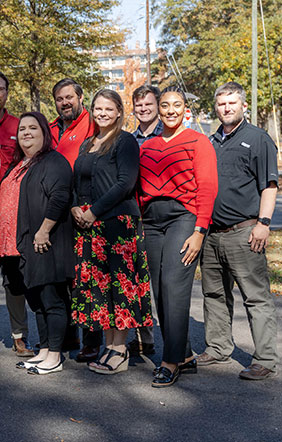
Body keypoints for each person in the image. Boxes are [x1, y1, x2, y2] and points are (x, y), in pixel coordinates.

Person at [200, 81, 279, 380]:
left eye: (232, 103)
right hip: (211, 234)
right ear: (216, 107)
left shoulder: (258, 139)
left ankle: (266, 359)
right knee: (214, 294)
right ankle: (218, 347)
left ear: (243, 105)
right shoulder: (210, 142)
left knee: (256, 298)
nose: (226, 108)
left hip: (245, 232)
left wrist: (264, 223)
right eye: (221, 103)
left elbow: (269, 185)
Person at [70, 90, 154, 375]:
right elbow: (77, 183)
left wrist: (93, 211)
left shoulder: (125, 141)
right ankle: (108, 346)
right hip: (89, 228)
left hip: (118, 226)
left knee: (121, 288)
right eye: (98, 108)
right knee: (100, 289)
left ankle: (120, 349)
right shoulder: (88, 143)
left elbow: (125, 183)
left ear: (119, 112)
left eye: (108, 108)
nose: (102, 113)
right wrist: (75, 208)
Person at [139, 86, 218, 387]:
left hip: (183, 217)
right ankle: (183, 353)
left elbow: (208, 187)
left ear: (185, 109)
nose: (170, 110)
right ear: (158, 109)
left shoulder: (198, 142)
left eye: (177, 105)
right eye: (165, 105)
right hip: (151, 221)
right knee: (160, 288)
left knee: (174, 283)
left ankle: (169, 361)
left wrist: (199, 230)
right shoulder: (147, 145)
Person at [0, 112, 74, 375]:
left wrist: (43, 231)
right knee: (37, 301)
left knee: (51, 300)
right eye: (22, 129)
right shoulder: (20, 164)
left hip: (45, 242)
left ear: (45, 133)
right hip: (20, 246)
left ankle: (55, 355)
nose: (26, 133)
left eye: (33, 128)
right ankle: (44, 350)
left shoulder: (53, 162)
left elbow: (59, 197)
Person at [49, 77, 102, 362]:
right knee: (63, 276)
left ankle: (92, 339)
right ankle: (67, 335)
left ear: (80, 98)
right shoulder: (51, 128)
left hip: (86, 211)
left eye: (69, 97)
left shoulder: (93, 125)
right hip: (58, 211)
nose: (65, 102)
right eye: (60, 99)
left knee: (88, 277)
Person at [0, 69, 32, 357]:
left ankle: (19, 334)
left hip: (10, 212)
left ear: (6, 94)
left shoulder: (18, 125)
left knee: (13, 276)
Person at [127, 84, 163, 357]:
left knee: (163, 281)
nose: (143, 109)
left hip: (163, 217)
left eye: (148, 103)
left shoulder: (169, 134)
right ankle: (144, 337)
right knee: (137, 279)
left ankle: (177, 342)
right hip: (135, 217)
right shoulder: (129, 140)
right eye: (139, 105)